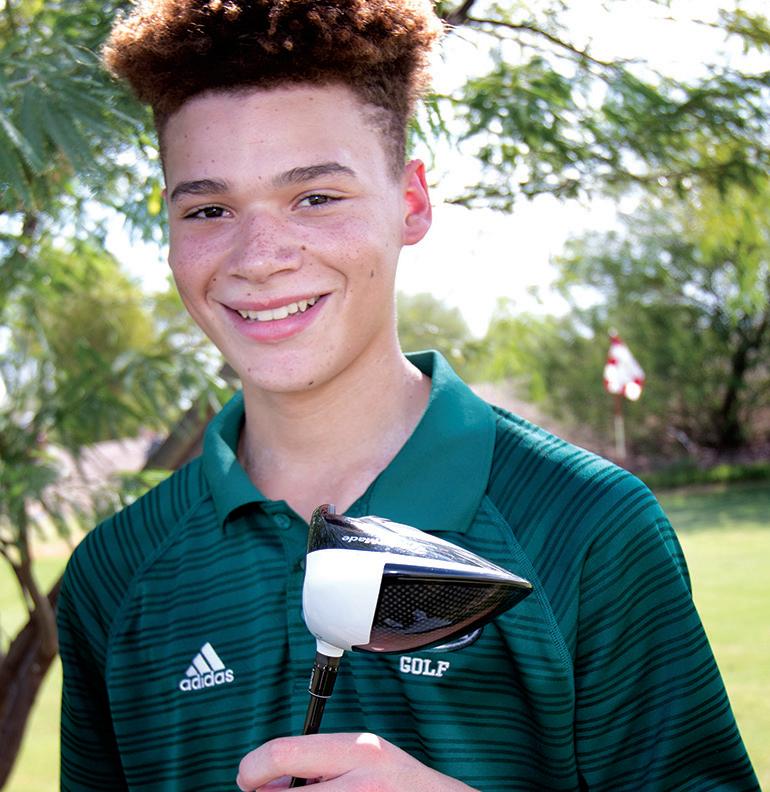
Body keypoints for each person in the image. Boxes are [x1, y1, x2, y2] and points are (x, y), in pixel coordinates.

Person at [56, 1, 760, 790]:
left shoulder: (587, 525)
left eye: (316, 197)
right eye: (209, 210)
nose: (258, 257)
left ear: (411, 203)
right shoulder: (113, 573)